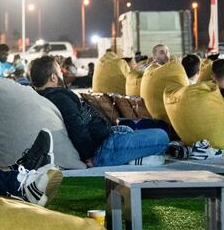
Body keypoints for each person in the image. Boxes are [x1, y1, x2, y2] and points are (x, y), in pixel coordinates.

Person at [29, 56, 169, 167]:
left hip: (106, 138)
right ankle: (131, 159)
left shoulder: (44, 96)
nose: (62, 74)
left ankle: (137, 157)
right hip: (103, 149)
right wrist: (88, 156)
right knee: (162, 137)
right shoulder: (59, 98)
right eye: (60, 71)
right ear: (53, 77)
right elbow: (75, 126)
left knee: (129, 128)